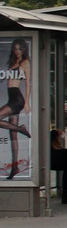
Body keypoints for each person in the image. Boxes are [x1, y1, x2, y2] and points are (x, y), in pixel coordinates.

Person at [1, 37, 33, 180]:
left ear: (24, 49)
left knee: (12, 130)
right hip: (11, 97)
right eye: (15, 48)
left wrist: (26, 103)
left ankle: (21, 128)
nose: (17, 51)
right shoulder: (13, 62)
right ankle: (14, 167)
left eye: (20, 48)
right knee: (12, 136)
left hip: (17, 99)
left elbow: (28, 83)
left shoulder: (25, 62)